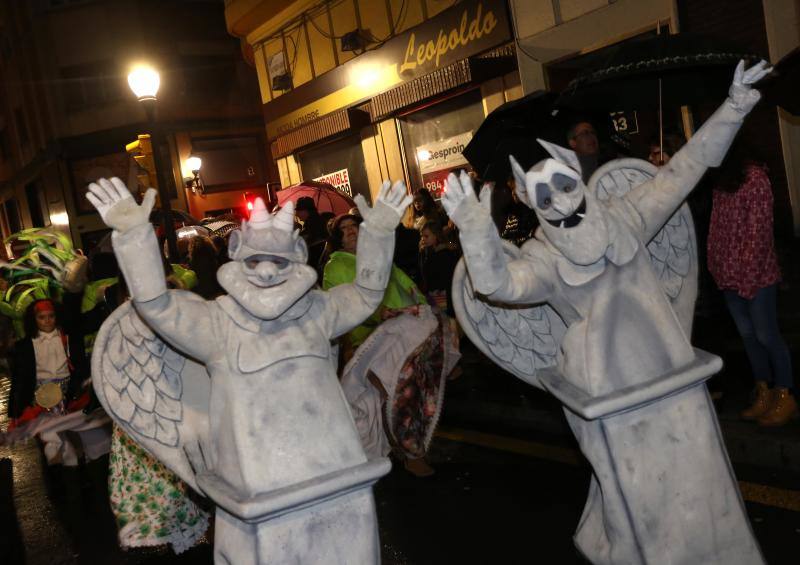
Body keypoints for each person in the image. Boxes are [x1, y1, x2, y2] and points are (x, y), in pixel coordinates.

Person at [324, 213, 459, 477]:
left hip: (409, 335)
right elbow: (340, 306)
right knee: (392, 394)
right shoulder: (335, 267)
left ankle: (409, 450)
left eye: (355, 227)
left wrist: (427, 310)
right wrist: (378, 314)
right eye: (344, 230)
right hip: (372, 339)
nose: (351, 232)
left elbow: (409, 289)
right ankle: (409, 453)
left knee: (413, 394)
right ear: (338, 240)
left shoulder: (380, 259)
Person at [706, 143, 796, 426]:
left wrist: (746, 279)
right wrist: (717, 265)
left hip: (757, 277)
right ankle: (764, 392)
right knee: (749, 338)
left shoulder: (755, 178)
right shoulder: (722, 181)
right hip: (730, 277)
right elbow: (715, 228)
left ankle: (786, 394)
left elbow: (759, 233)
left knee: (767, 335)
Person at [8, 294, 87, 420]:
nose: (47, 321)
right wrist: (15, 411)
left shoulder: (67, 339)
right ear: (33, 319)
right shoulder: (25, 346)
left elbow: (79, 364)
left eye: (51, 316)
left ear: (57, 317)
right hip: (39, 396)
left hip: (69, 393)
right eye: (41, 317)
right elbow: (19, 379)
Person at [295, 196, 327, 270]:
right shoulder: (319, 221)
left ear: (305, 211)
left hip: (315, 265)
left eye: (298, 211)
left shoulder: (311, 226)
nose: (296, 214)